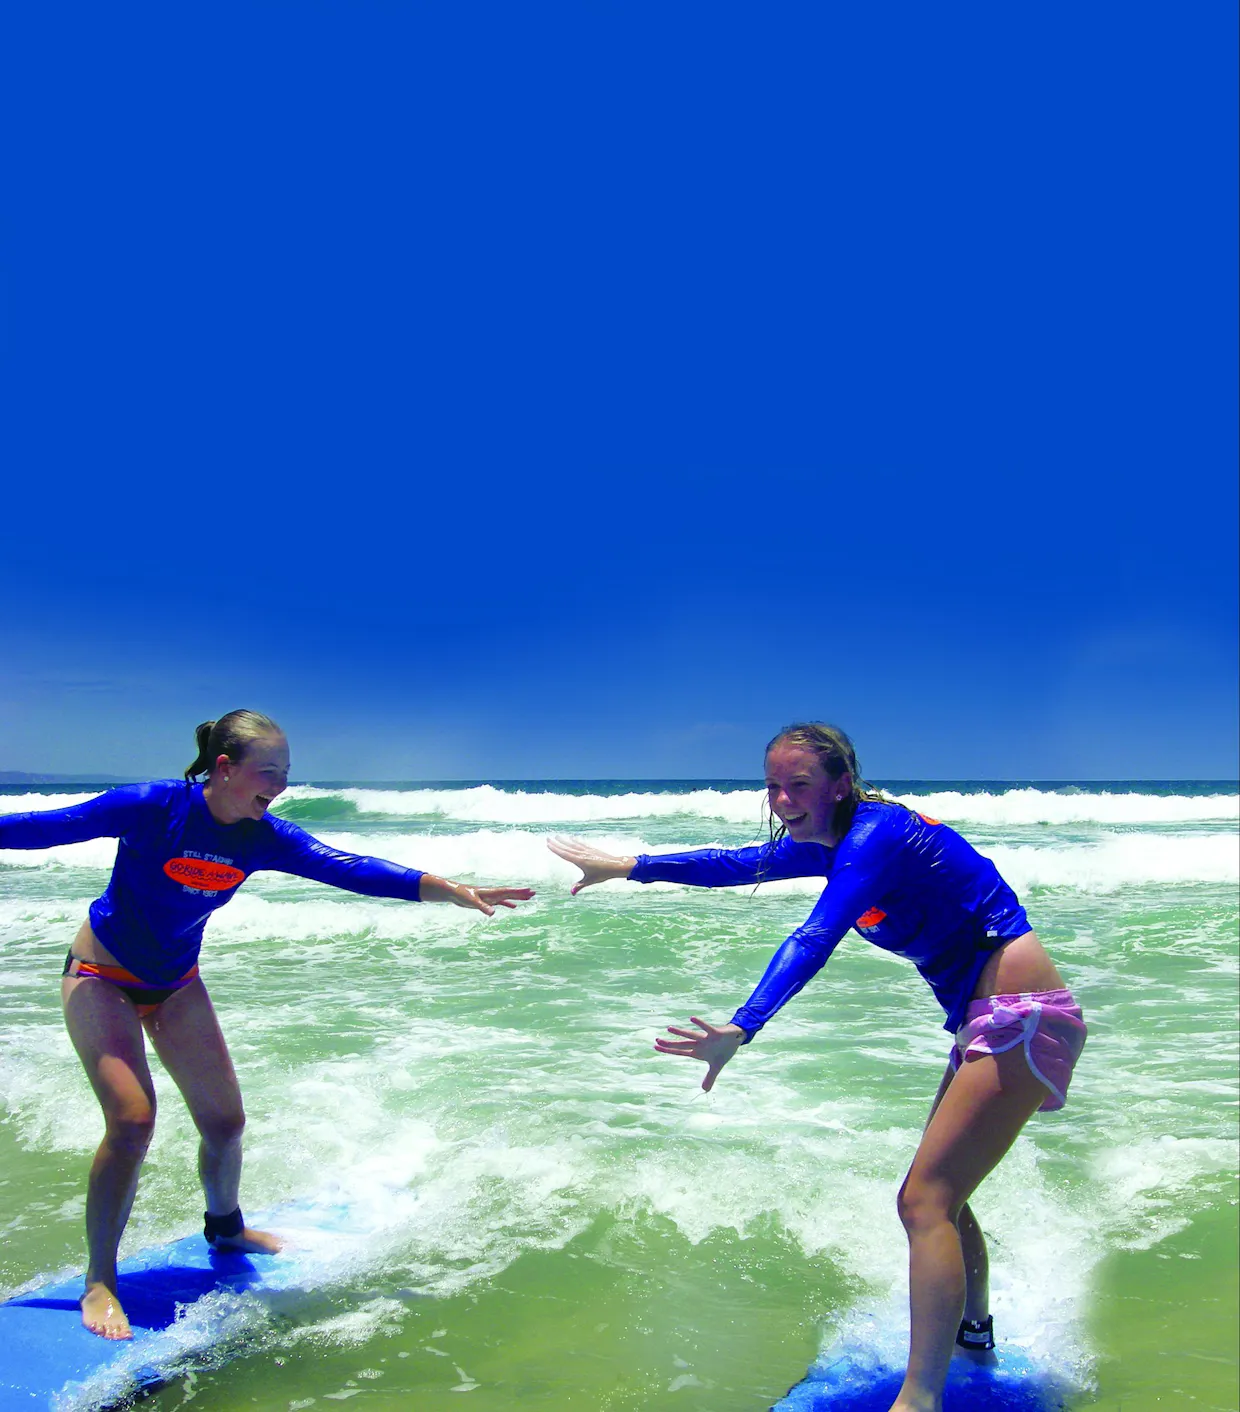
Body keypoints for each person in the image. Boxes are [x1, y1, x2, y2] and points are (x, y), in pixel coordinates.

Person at [548, 722, 1086, 1412]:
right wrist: (628, 867)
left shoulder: (876, 838)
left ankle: (917, 1402)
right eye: (772, 785)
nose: (782, 799)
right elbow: (737, 864)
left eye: (798, 784)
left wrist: (743, 1026)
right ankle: (973, 1337)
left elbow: (815, 935)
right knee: (943, 1197)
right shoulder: (837, 842)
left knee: (924, 1202)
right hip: (994, 1021)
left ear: (840, 783)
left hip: (1022, 1016)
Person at [0, 710, 534, 1342]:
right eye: (269, 772)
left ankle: (225, 1228)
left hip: (175, 984)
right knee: (133, 1121)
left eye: (285, 773)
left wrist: (450, 889)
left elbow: (349, 866)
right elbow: (44, 830)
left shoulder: (261, 836)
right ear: (223, 768)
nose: (279, 785)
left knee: (225, 1124)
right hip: (100, 976)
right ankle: (100, 1280)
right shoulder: (152, 807)